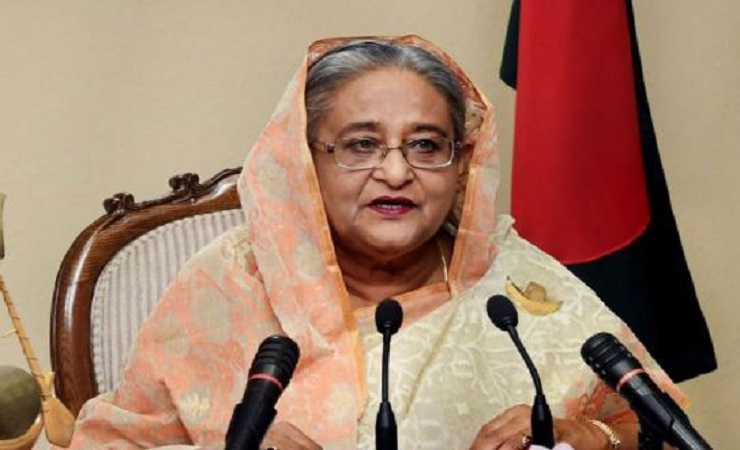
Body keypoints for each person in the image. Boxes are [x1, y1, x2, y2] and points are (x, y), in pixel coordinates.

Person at [62, 35, 686, 449]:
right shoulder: (230, 280)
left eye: (426, 145)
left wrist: (591, 437)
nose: (395, 172)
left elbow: (667, 430)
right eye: (361, 144)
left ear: (461, 164)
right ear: (306, 161)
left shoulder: (518, 288)